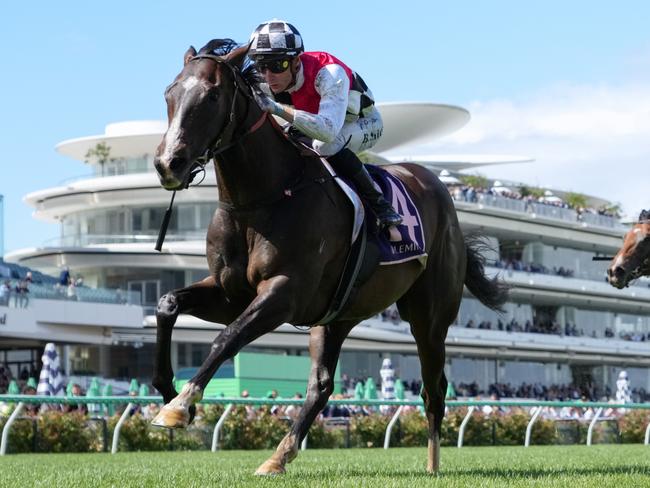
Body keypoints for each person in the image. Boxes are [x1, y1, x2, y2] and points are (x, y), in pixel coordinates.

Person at [248, 20, 402, 229]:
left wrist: (276, 108)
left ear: (296, 62)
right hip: (320, 120)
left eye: (277, 65)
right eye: (261, 66)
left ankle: (380, 205)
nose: (268, 76)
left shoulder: (329, 73)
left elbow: (328, 131)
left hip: (363, 123)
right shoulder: (267, 78)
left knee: (324, 145)